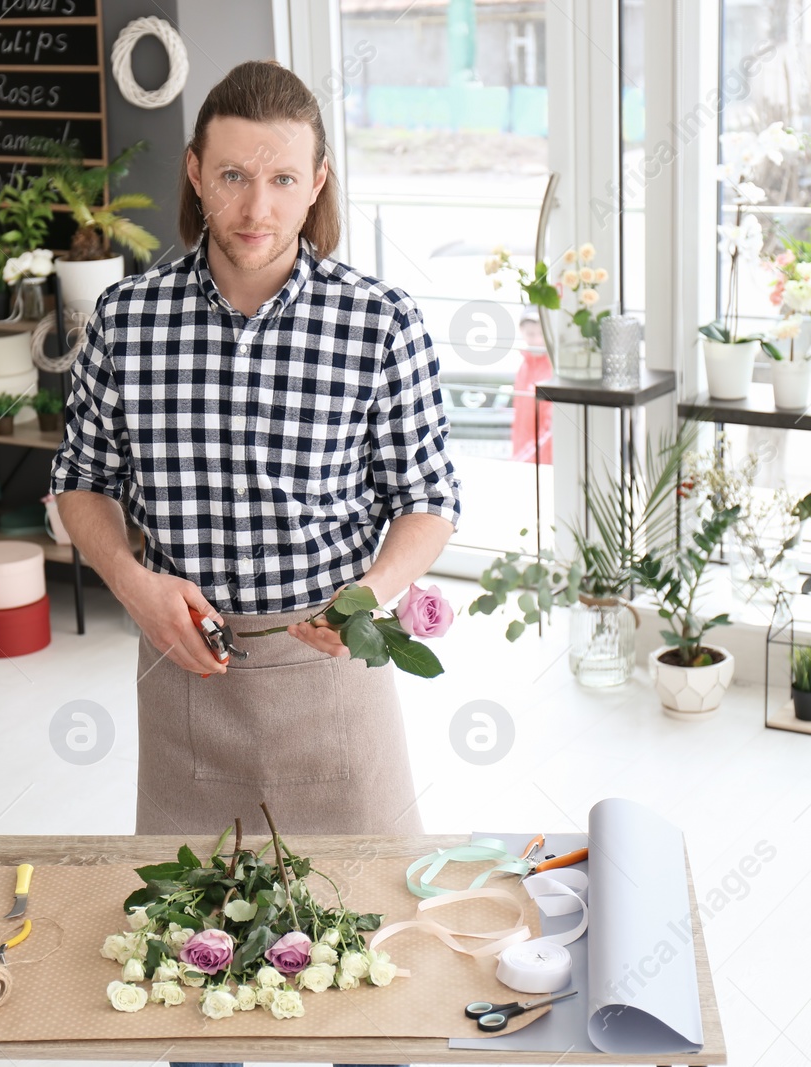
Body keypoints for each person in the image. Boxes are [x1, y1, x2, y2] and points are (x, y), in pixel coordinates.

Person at [50, 57, 460, 846]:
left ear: (318, 183)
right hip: (185, 678)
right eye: (234, 175)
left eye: (282, 179)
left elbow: (429, 500)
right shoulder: (125, 319)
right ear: (196, 174)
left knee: (368, 932)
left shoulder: (380, 324)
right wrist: (134, 587)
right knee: (185, 946)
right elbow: (80, 481)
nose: (256, 207)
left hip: (334, 674)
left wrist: (370, 593)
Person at [509, 306, 554, 464]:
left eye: (540, 334)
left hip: (541, 462)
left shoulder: (552, 370)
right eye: (530, 334)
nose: (536, 340)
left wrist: (523, 458)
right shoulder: (524, 366)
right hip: (522, 456)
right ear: (522, 333)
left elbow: (550, 427)